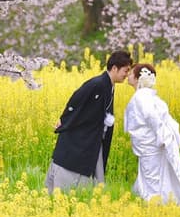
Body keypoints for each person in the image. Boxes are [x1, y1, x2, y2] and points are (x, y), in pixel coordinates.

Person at [45, 50, 133, 193]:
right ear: (115, 68)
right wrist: (64, 119)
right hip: (81, 137)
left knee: (91, 168)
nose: (127, 74)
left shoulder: (109, 85)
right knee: (72, 167)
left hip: (93, 137)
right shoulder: (97, 84)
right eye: (126, 70)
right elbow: (76, 99)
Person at [123, 62, 180, 204]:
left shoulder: (141, 96)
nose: (128, 75)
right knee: (154, 178)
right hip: (150, 144)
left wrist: (161, 135)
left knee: (151, 180)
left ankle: (155, 207)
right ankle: (160, 205)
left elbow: (152, 117)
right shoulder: (149, 96)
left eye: (131, 73)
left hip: (150, 146)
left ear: (138, 78)